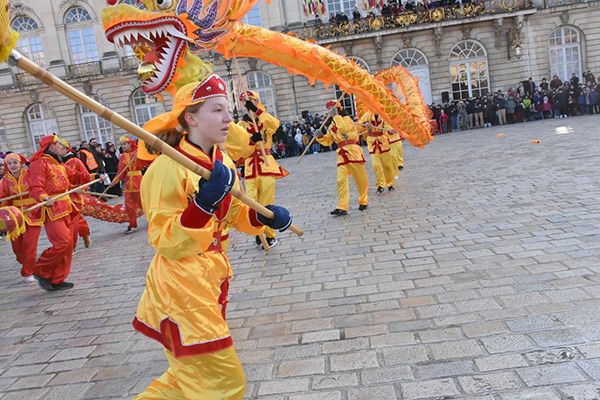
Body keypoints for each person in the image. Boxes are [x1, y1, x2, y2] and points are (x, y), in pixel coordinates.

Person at [133, 73, 292, 399]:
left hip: (212, 276)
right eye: (217, 110)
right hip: (181, 284)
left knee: (184, 383)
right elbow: (164, 239)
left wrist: (261, 216)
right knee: (225, 382)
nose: (229, 118)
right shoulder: (166, 168)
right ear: (190, 118)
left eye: (228, 109)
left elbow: (232, 214)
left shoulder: (222, 160)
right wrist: (202, 205)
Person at [28, 135, 87, 291]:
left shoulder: (59, 164)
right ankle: (40, 270)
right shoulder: (39, 164)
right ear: (51, 146)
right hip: (52, 209)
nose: (63, 147)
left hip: (66, 207)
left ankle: (57, 279)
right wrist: (44, 197)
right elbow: (34, 187)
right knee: (63, 243)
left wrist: (96, 176)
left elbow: (76, 176)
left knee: (69, 246)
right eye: (59, 144)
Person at [237, 90, 288, 248]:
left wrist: (258, 110)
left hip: (266, 166)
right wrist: (251, 141)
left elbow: (275, 125)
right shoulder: (241, 125)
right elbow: (239, 149)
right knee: (252, 203)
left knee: (267, 202)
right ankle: (259, 234)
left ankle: (269, 235)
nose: (248, 103)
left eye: (251, 100)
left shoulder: (264, 119)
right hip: (251, 167)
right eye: (246, 101)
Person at [316, 100, 369, 215]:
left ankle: (363, 200)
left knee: (361, 180)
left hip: (353, 152)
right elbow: (329, 141)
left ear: (338, 108)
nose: (330, 111)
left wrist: (336, 116)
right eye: (329, 109)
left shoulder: (347, 120)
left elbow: (343, 128)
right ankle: (342, 206)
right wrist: (320, 137)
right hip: (341, 154)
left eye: (332, 108)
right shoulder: (331, 125)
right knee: (341, 180)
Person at [0, 153, 43, 283]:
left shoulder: (30, 174)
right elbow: (3, 198)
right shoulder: (5, 180)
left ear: (21, 163)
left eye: (15, 162)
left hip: (33, 214)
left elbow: (39, 188)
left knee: (30, 245)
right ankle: (30, 265)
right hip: (14, 218)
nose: (13, 165)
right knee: (17, 249)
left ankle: (27, 271)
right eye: (10, 163)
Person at [108, 136, 151, 233]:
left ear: (130, 144)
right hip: (128, 183)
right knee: (128, 205)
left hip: (138, 181)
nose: (123, 146)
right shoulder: (122, 156)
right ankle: (132, 224)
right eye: (121, 144)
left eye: (125, 144)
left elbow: (148, 161)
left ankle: (152, 219)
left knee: (143, 203)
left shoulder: (137, 153)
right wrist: (115, 181)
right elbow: (121, 171)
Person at [61, 139, 94, 251]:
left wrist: (82, 188)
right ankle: (80, 236)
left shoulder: (75, 161)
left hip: (75, 195)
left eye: (61, 148)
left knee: (75, 220)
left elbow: (85, 175)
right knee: (70, 221)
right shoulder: (58, 163)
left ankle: (75, 242)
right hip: (63, 196)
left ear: (66, 149)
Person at [357, 111, 396, 193]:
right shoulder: (367, 114)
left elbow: (387, 128)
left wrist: (390, 131)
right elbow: (359, 125)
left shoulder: (384, 114)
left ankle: (390, 183)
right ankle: (380, 184)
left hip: (383, 142)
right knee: (375, 165)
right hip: (372, 143)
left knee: (387, 165)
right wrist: (366, 124)